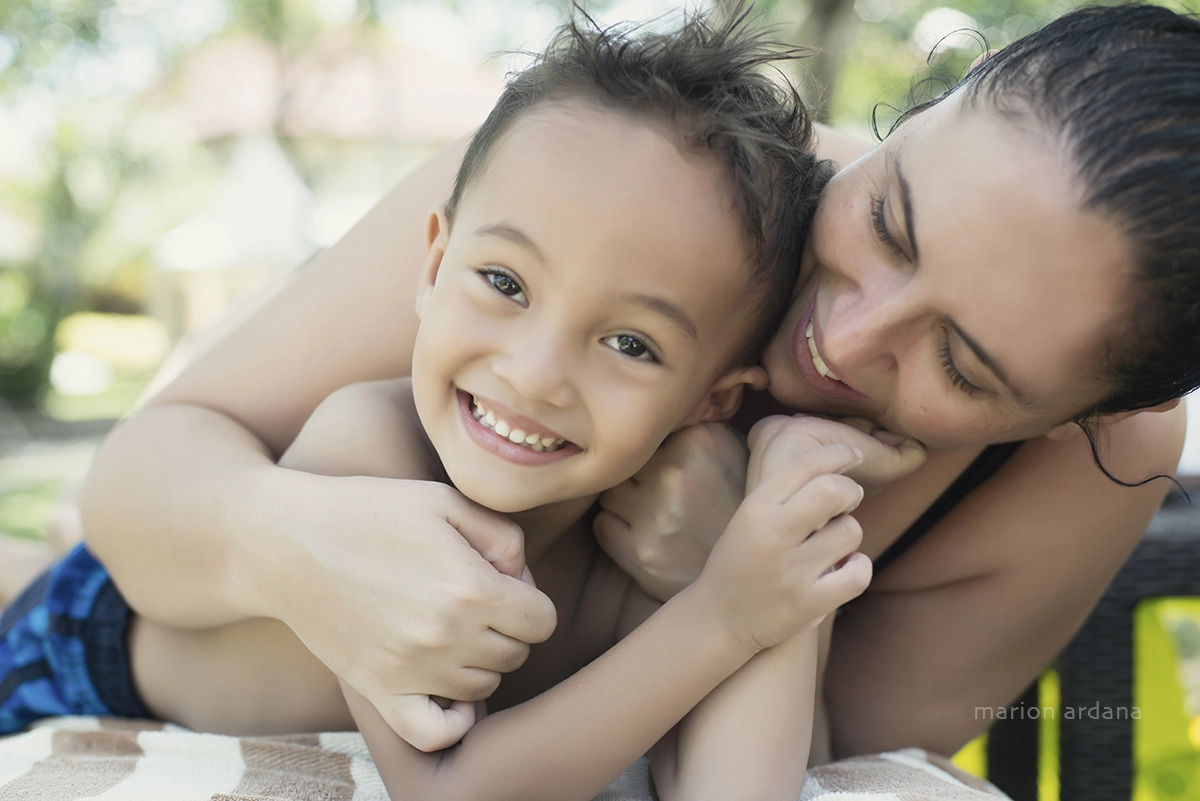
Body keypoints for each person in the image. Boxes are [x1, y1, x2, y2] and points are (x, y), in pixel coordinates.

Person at [72, 0, 1192, 767]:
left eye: (963, 363)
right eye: (888, 219)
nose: (845, 341)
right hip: (132, 636)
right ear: (930, 109)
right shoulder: (632, 182)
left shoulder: (1095, 464)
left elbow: (841, 759)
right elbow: (144, 473)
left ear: (1086, 416)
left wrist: (735, 573)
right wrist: (294, 541)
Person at [0, 10, 885, 799]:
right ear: (432, 265)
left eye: (631, 343)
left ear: (711, 400)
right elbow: (449, 788)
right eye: (504, 281)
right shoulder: (367, 446)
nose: (535, 374)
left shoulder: (648, 539)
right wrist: (726, 616)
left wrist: (788, 515)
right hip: (81, 651)